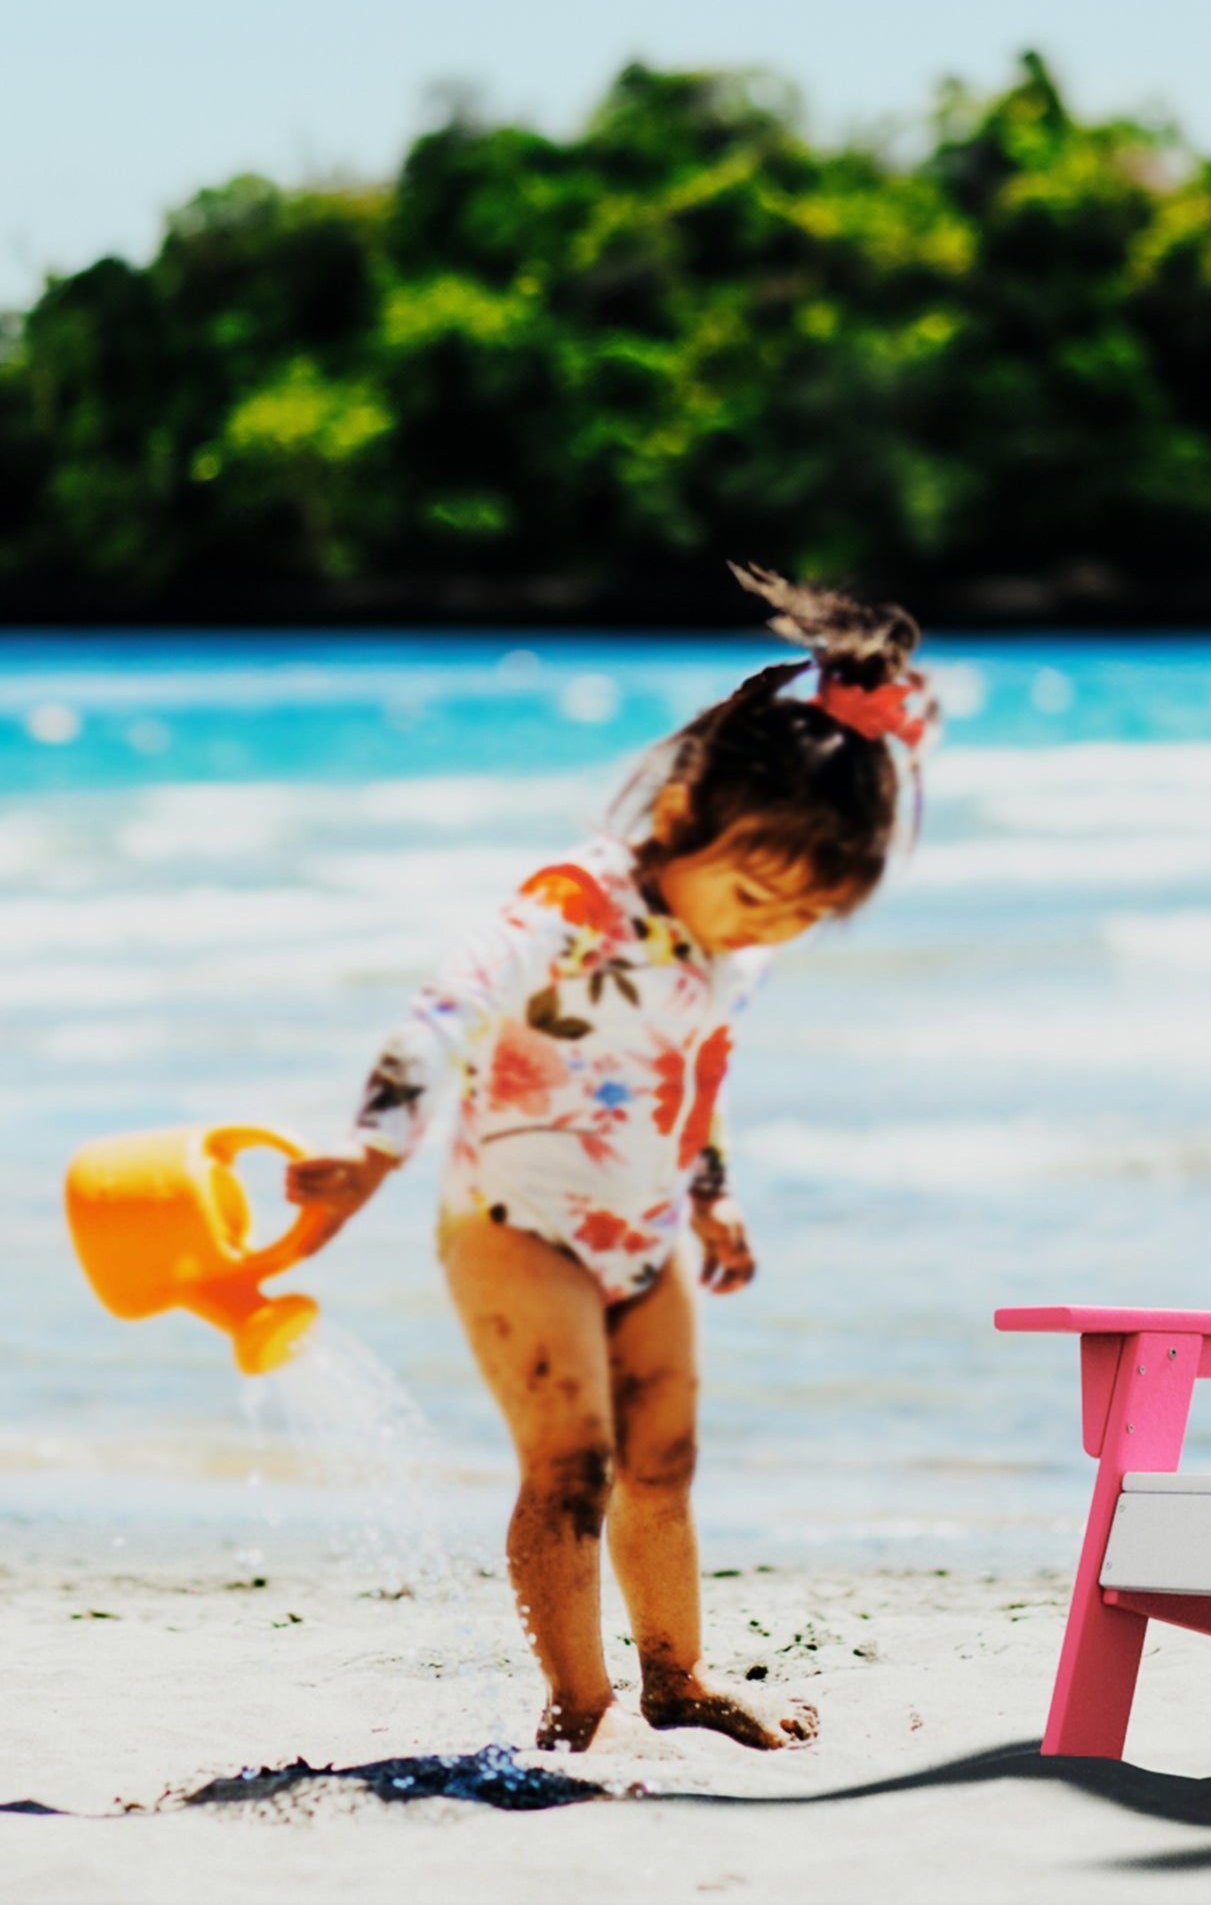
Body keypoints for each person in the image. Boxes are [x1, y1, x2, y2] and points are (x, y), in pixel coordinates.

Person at [283, 566, 933, 1754]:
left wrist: (714, 1198)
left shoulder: (727, 948)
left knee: (666, 1463)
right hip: (511, 1221)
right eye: (750, 893)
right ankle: (576, 1706)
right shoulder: (572, 898)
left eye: (797, 917)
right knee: (570, 1462)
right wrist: (370, 1146)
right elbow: (447, 1006)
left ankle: (676, 1680)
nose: (762, 927)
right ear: (684, 819)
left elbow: (694, 1070)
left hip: (642, 1232)